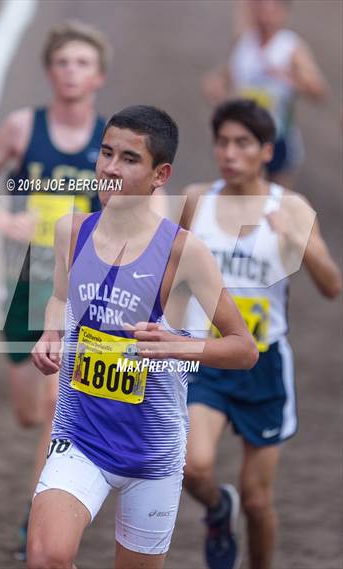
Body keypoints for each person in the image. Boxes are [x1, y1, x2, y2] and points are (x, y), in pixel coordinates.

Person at [28, 105, 259, 569]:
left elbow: (244, 348)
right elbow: (59, 298)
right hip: (80, 437)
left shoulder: (183, 253)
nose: (111, 168)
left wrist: (180, 345)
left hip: (151, 456)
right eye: (106, 153)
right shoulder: (71, 232)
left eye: (129, 159)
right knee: (47, 557)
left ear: (160, 174)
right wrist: (51, 332)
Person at [0, 20, 111, 559]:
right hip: (27, 286)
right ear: (50, 72)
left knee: (53, 406)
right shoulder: (23, 128)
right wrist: (5, 222)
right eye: (63, 62)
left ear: (98, 77)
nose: (71, 72)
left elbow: (134, 216)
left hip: (78, 294)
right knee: (28, 411)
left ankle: (37, 514)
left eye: (82, 63)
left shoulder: (108, 146)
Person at [180, 99, 341, 569]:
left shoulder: (290, 207)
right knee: (194, 467)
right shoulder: (195, 200)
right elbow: (166, 271)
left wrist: (295, 240)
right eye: (223, 142)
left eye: (243, 144)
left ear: (267, 151)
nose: (230, 153)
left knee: (256, 499)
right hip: (206, 359)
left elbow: (332, 285)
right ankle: (216, 508)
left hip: (264, 365)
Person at [202, 0, 328, 189]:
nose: (265, 16)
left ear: (283, 14)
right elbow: (225, 76)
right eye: (261, 9)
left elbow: (319, 91)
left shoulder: (291, 47)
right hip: (243, 135)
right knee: (241, 193)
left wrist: (290, 78)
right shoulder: (244, 41)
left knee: (277, 197)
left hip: (278, 136)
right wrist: (216, 86)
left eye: (272, 11)